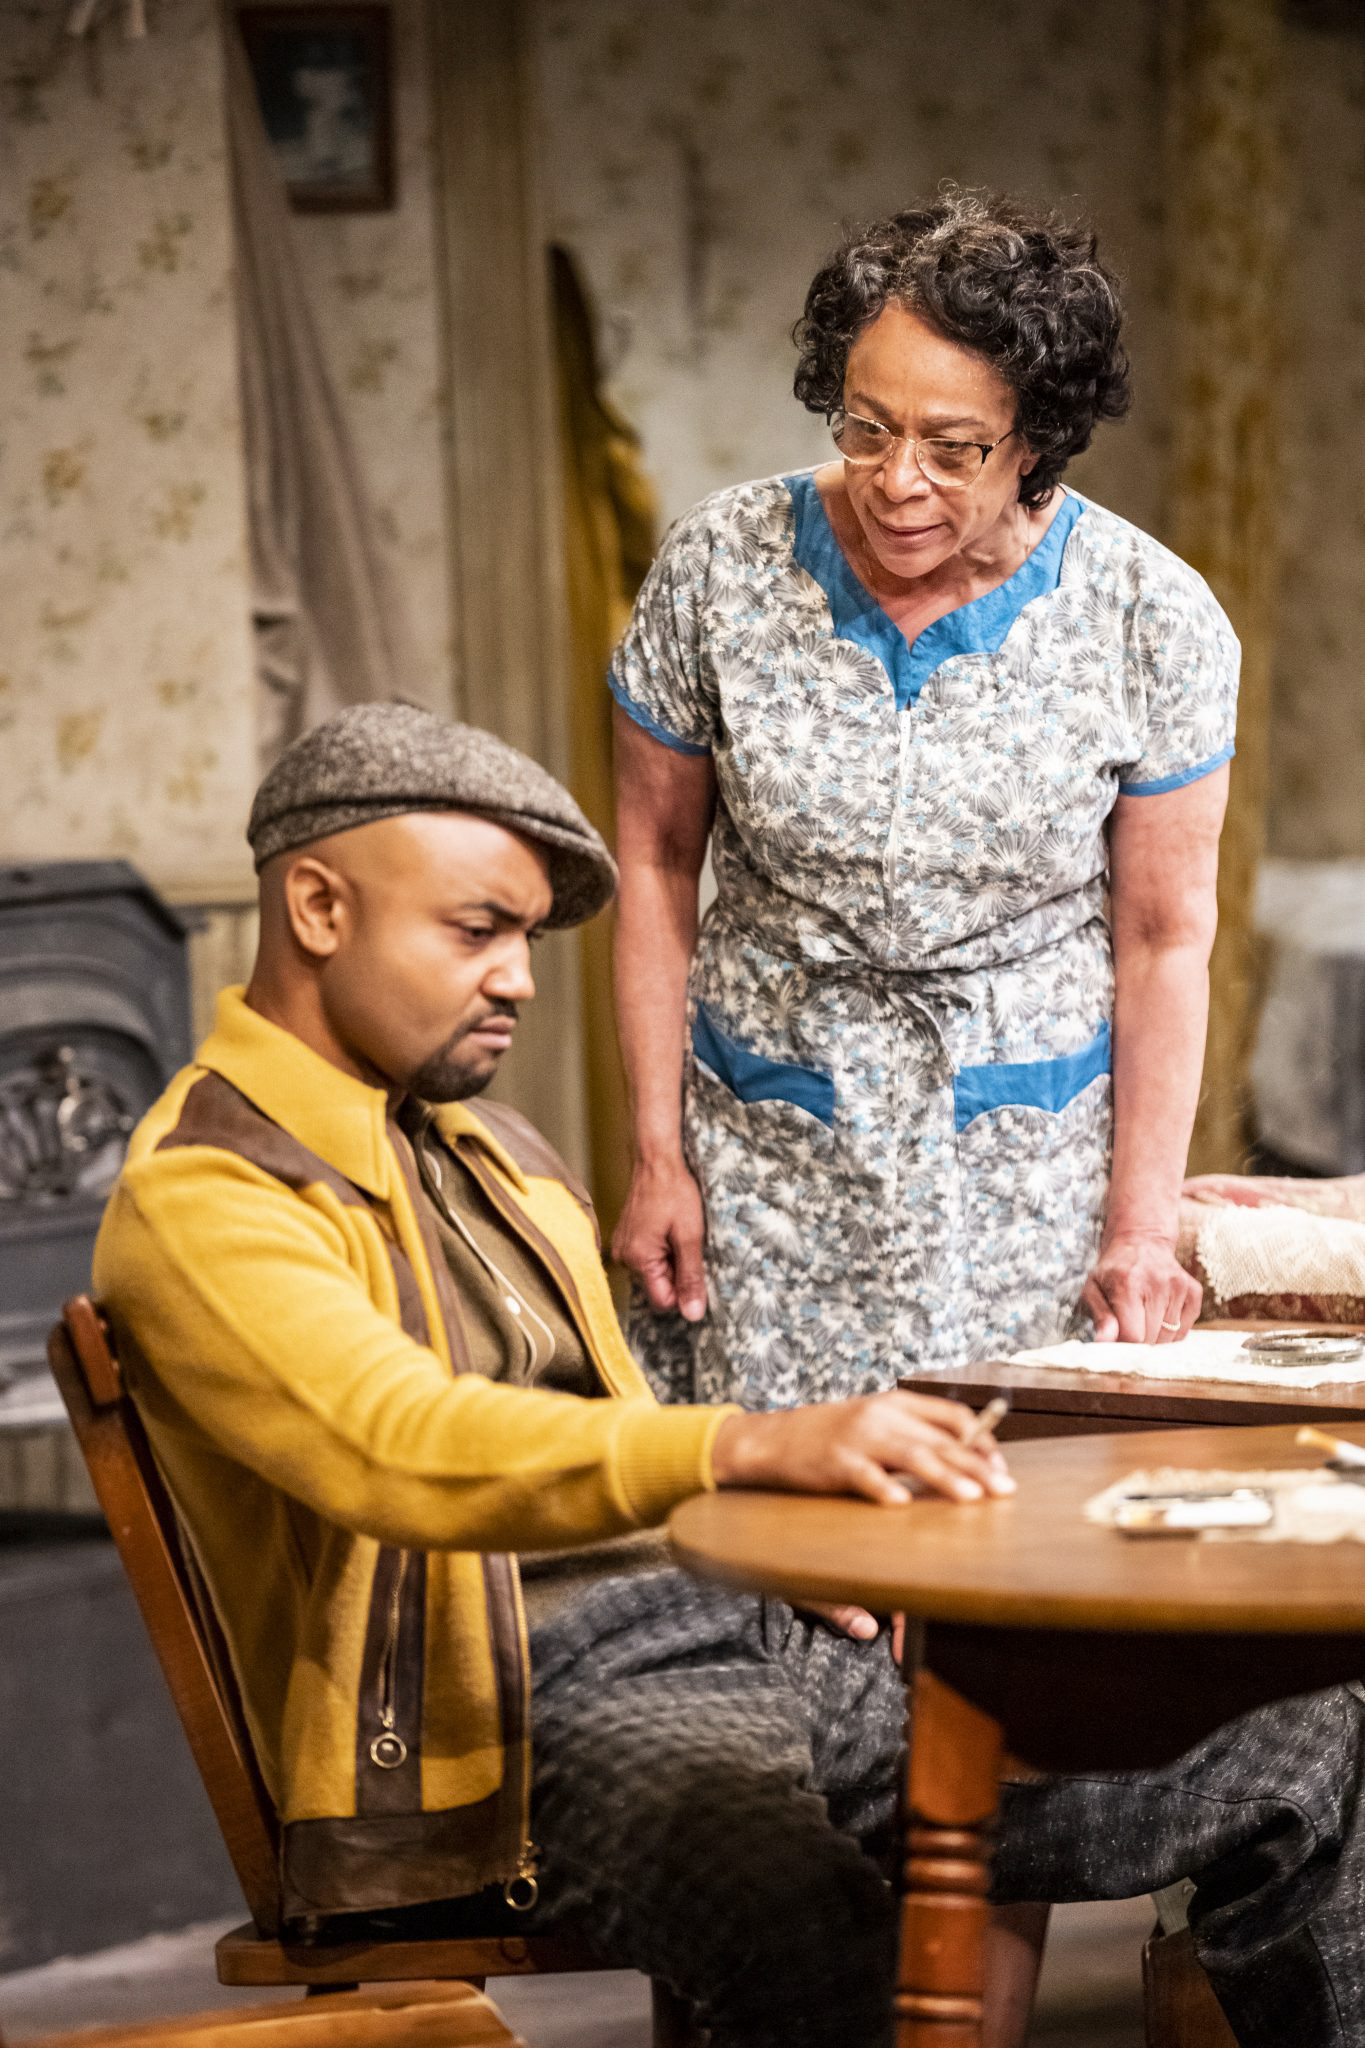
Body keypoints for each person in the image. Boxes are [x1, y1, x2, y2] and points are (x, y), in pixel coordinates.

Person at [95, 706, 1365, 2048]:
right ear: (316, 906)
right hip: (525, 1724)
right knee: (810, 1928)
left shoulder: (493, 1150)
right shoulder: (210, 1194)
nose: (520, 977)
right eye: (477, 931)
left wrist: (764, 1545)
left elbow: (611, 1431)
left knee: (1309, 1747)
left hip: (737, 1636)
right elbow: (393, 1445)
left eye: (527, 938)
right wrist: (743, 1453)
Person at [610, 187, 1234, 1411]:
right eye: (866, 426)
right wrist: (654, 1154)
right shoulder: (718, 568)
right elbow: (653, 862)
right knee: (776, 1538)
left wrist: (1142, 1227)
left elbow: (1166, 938)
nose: (897, 480)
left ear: (1038, 443)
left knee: (1004, 1529)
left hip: (1025, 1166)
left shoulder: (1152, 618)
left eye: (954, 450)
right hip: (770, 1146)